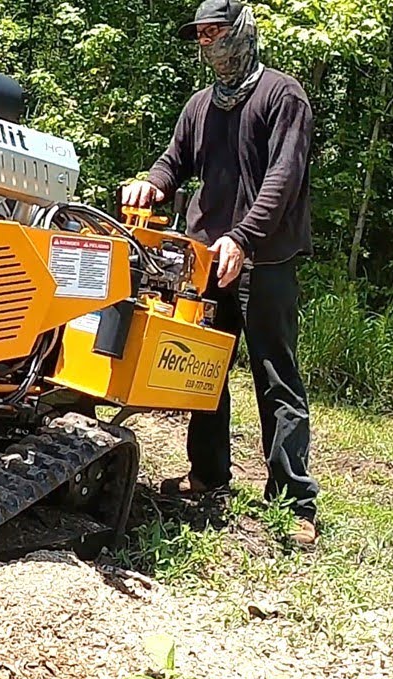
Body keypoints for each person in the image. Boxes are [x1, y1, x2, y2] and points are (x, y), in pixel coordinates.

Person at [121, 0, 318, 546]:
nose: (207, 44)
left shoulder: (283, 96)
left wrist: (244, 237)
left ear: (242, 32)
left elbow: (284, 177)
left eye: (216, 32)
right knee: (203, 370)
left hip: (265, 259)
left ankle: (295, 502)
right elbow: (174, 160)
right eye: (201, 36)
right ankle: (209, 475)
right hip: (206, 258)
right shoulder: (200, 105)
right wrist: (151, 182)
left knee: (275, 375)